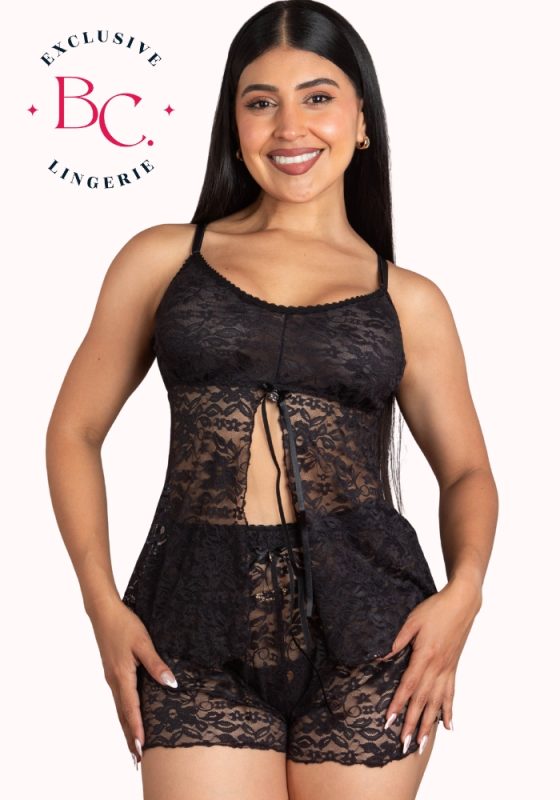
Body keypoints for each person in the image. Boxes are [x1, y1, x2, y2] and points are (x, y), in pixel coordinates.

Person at [45, 2, 498, 798]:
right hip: (191, 620)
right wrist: (100, 603)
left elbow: (467, 472)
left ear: (362, 119)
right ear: (235, 123)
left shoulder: (409, 300)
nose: (290, 127)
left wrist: (465, 594)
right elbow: (74, 431)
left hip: (374, 632)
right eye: (262, 102)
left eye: (318, 97)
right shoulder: (164, 260)